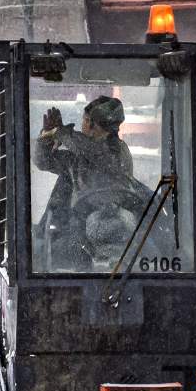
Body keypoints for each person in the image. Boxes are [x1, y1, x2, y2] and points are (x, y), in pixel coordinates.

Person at [33, 96, 147, 268]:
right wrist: (46, 137)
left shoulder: (116, 151)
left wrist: (62, 133)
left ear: (98, 125)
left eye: (86, 120)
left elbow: (93, 151)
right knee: (44, 256)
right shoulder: (79, 158)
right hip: (81, 228)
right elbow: (43, 161)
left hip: (115, 226)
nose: (83, 125)